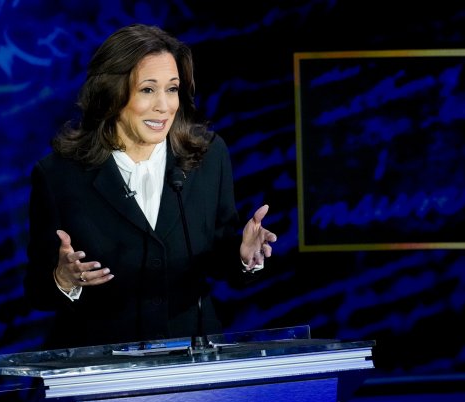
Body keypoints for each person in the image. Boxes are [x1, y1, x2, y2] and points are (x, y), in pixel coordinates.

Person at [24, 23, 277, 350]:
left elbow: (218, 256)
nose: (164, 106)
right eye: (147, 89)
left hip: (192, 359)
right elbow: (36, 291)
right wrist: (64, 280)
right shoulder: (59, 174)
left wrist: (243, 256)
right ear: (112, 93)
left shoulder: (208, 156)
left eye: (172, 89)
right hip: (102, 367)